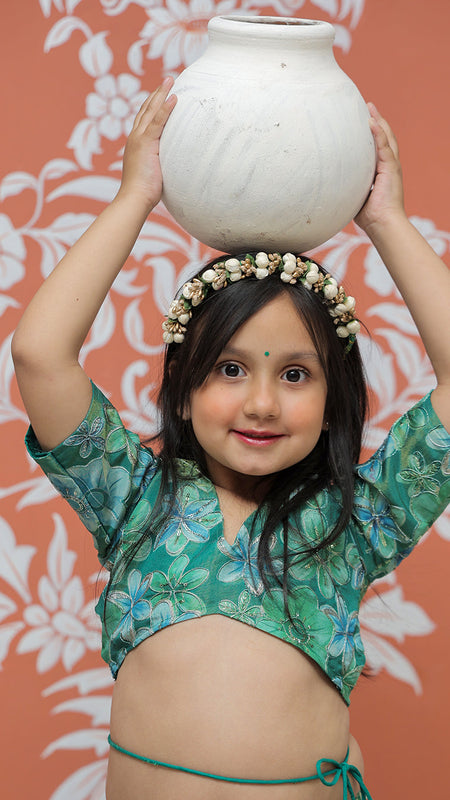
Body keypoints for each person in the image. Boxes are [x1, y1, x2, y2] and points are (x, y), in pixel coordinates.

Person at [12, 77, 450, 800]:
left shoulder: (356, 522)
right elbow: (40, 354)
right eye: (230, 367)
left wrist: (389, 221)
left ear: (335, 404)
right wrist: (135, 197)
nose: (261, 402)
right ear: (182, 389)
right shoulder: (131, 500)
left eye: (298, 375)